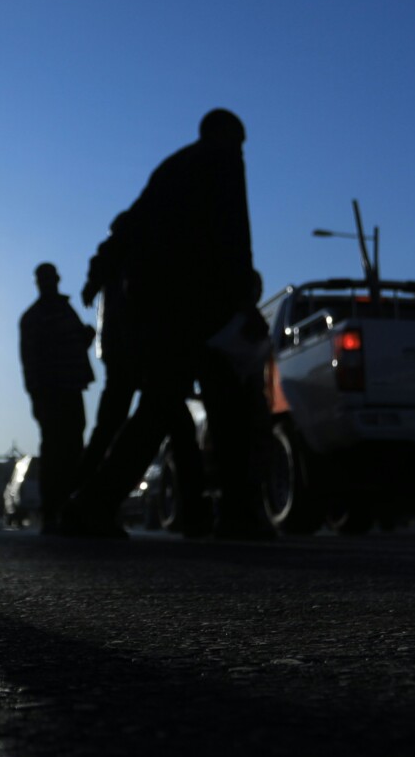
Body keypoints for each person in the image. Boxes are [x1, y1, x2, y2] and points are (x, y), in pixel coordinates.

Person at [54, 109, 275, 540]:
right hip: (202, 308)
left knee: (157, 409)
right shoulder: (222, 160)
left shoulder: (170, 168)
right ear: (231, 136)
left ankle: (91, 505)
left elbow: (127, 231)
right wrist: (243, 297)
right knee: (227, 408)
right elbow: (233, 234)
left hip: (159, 313)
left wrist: (100, 280)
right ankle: (237, 513)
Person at [82, 238, 207, 533]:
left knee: (158, 427)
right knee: (153, 426)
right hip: (146, 352)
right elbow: (143, 302)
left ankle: (89, 502)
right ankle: (92, 503)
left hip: (136, 351)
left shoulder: (124, 257)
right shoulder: (142, 253)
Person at [19, 262, 94, 530]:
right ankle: (52, 510)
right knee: (54, 450)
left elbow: (72, 345)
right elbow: (30, 361)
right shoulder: (34, 317)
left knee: (73, 447)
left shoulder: (63, 309)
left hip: (71, 387)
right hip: (50, 392)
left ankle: (68, 508)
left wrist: (85, 338)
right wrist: (36, 396)